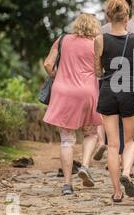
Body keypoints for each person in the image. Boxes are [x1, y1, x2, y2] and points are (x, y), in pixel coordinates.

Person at [43, 13, 102, 196]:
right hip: (87, 93)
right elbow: (100, 71)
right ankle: (84, 165)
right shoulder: (97, 43)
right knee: (91, 133)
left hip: (64, 92)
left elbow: (48, 64)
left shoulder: (63, 40)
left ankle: (67, 185)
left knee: (67, 140)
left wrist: (57, 76)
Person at [95, 0, 134, 203]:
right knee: (130, 140)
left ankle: (116, 191)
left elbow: (97, 71)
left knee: (113, 145)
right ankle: (127, 172)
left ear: (108, 16)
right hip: (128, 87)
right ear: (127, 17)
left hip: (108, 88)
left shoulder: (100, 40)